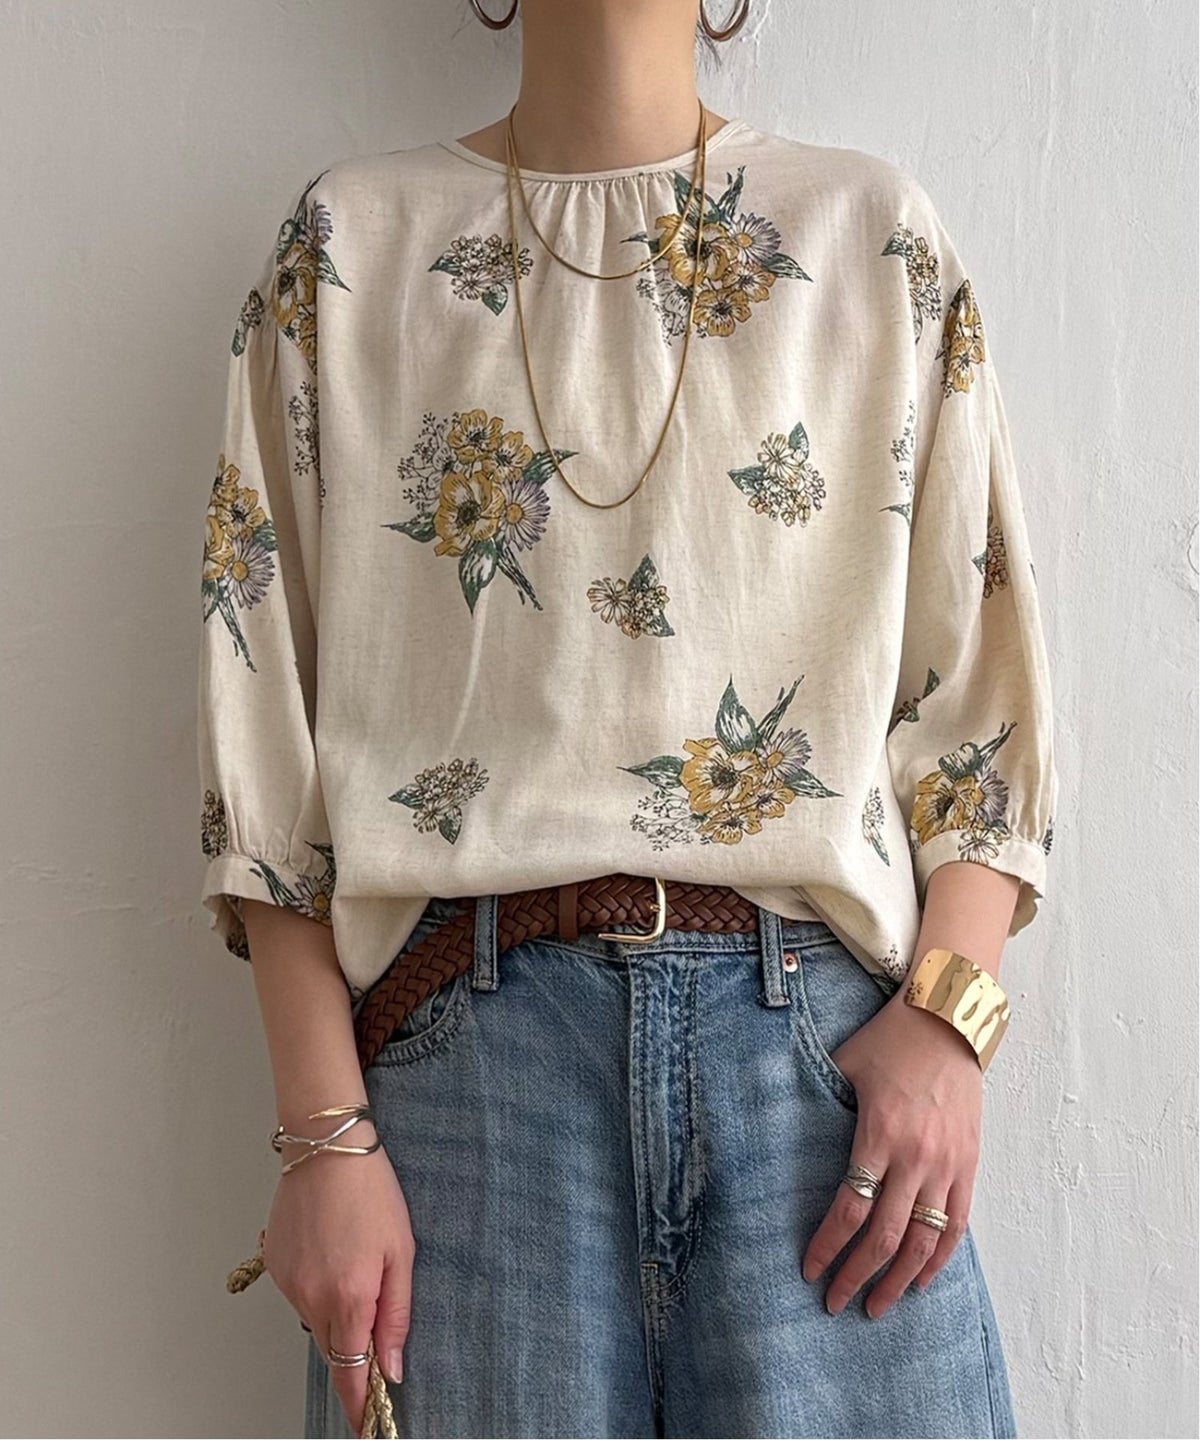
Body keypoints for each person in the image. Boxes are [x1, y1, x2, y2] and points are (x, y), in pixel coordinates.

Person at [196, 1, 1058, 1435]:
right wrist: (320, 1139)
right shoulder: (349, 249)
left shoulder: (868, 237)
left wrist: (951, 1028)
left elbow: (979, 702)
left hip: (820, 1078)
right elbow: (260, 736)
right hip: (465, 1082)